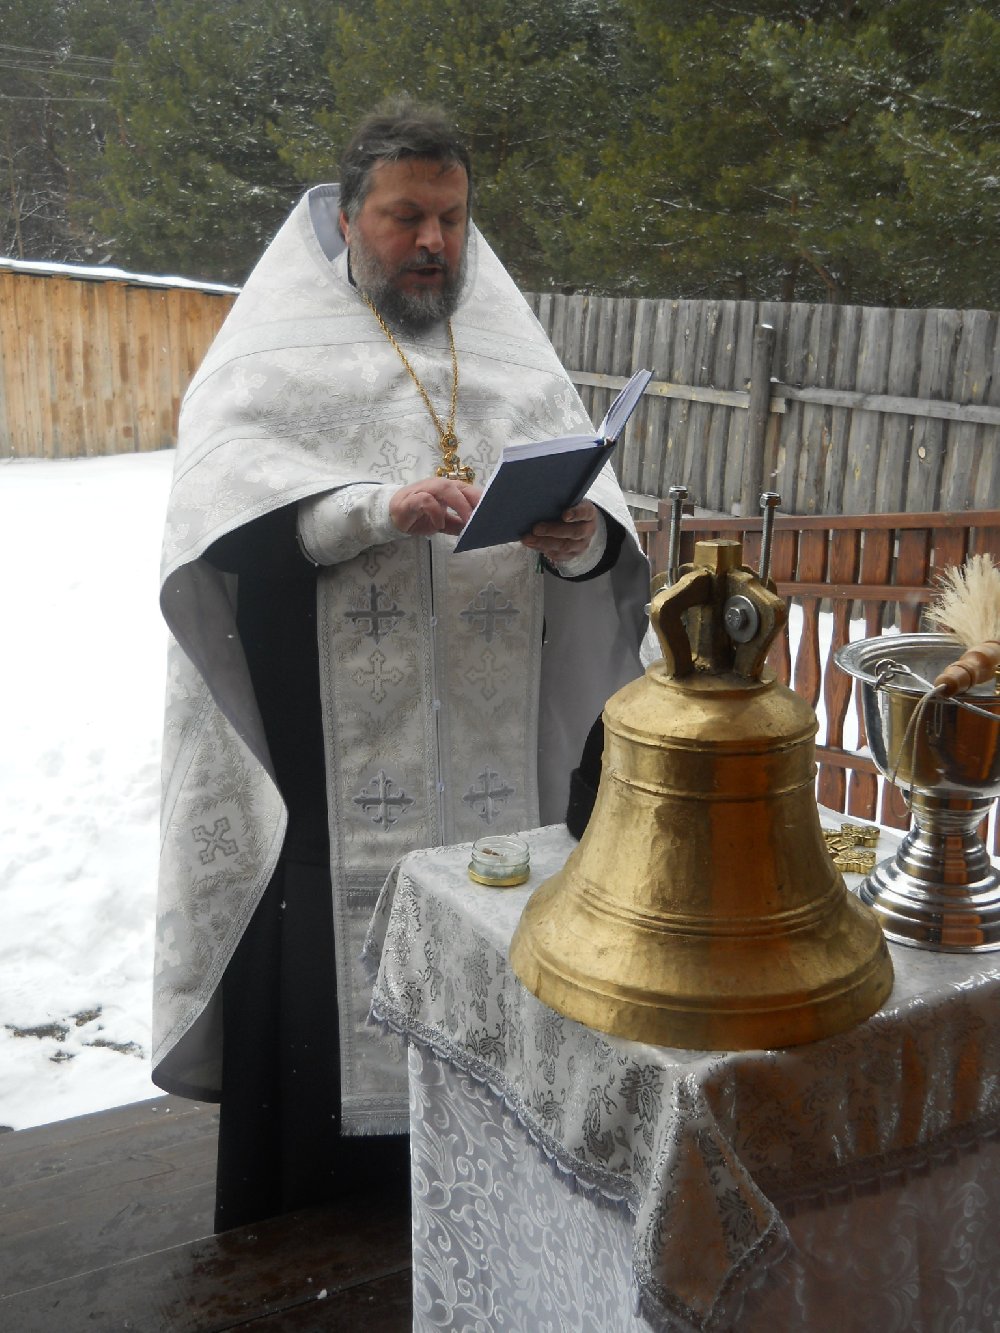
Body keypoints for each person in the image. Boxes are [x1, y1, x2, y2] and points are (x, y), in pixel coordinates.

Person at [152, 98, 651, 1232]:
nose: (434, 242)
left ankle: (487, 1199)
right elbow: (222, 527)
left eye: (453, 219)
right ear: (347, 220)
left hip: (490, 752)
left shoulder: (509, 347)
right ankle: (315, 1230)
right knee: (319, 1007)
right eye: (406, 217)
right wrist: (376, 508)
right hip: (328, 766)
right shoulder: (273, 348)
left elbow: (599, 547)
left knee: (495, 942)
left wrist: (578, 540)